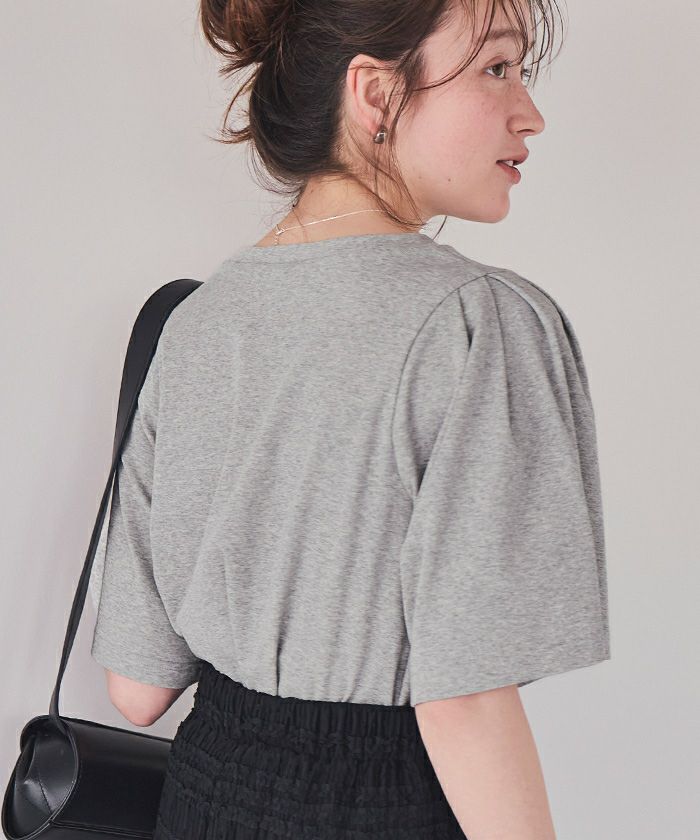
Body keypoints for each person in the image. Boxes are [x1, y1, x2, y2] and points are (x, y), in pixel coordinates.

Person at [88, 0, 611, 837]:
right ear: (375, 93)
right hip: (379, 808)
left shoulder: (196, 323)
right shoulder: (479, 324)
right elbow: (464, 701)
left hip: (199, 797)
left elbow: (138, 689)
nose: (530, 113)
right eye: (496, 67)